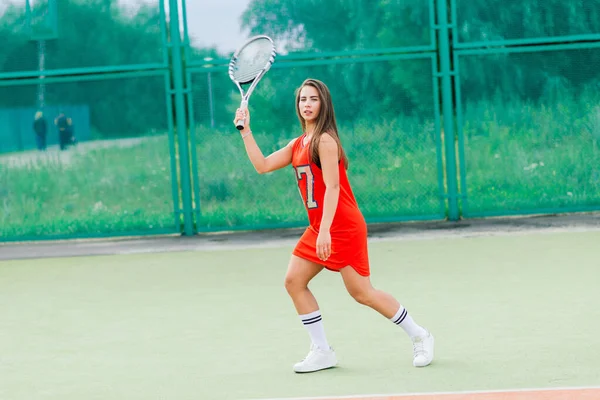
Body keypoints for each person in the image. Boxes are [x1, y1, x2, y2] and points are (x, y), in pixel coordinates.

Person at [233, 78, 435, 373]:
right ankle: (322, 351)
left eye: (313, 99)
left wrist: (325, 229)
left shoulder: (325, 141)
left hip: (343, 226)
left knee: (362, 293)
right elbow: (262, 166)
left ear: (323, 104)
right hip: (320, 226)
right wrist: (246, 131)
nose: (307, 105)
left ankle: (420, 334)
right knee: (294, 281)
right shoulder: (297, 144)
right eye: (303, 99)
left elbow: (333, 187)